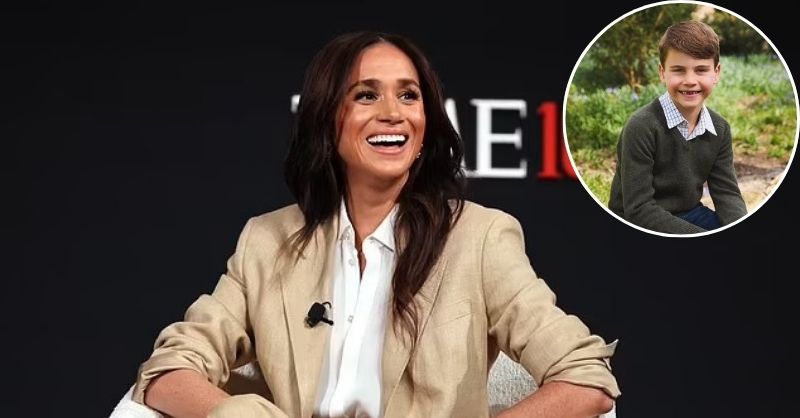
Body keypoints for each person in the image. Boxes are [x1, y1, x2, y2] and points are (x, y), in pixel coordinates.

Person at [132, 31, 619, 418]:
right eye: (366, 95)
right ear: (327, 120)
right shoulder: (267, 241)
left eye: (409, 96)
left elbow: (586, 378)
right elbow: (167, 370)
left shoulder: (481, 237)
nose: (393, 114)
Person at [608, 20, 747, 234]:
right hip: (636, 219)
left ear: (716, 73)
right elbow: (638, 208)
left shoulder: (720, 129)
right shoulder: (641, 126)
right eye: (678, 70)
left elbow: (727, 194)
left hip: (689, 211)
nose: (690, 80)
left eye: (701, 70)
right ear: (662, 72)